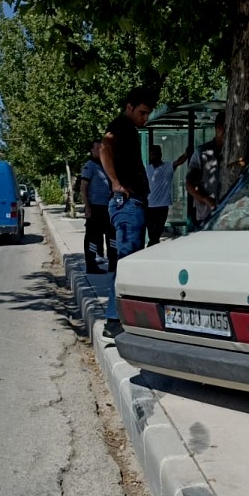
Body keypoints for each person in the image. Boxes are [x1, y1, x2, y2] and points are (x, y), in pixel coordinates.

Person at [99, 86, 158, 339]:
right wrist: (115, 183)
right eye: (142, 112)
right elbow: (105, 147)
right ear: (129, 107)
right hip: (128, 203)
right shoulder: (121, 125)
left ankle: (122, 316)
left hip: (132, 203)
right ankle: (114, 319)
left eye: (148, 114)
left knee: (128, 261)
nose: (145, 118)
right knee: (126, 262)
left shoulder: (129, 129)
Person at [80, 140, 116, 274]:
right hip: (95, 207)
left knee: (112, 235)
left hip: (107, 206)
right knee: (93, 236)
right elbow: (83, 188)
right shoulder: (89, 166)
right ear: (92, 151)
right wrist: (87, 206)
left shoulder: (105, 165)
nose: (100, 150)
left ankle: (113, 262)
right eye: (97, 148)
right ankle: (91, 264)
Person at [185, 111, 225, 230]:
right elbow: (189, 185)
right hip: (206, 216)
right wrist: (205, 199)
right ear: (219, 128)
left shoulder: (237, 153)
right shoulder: (201, 153)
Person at [144, 144, 189, 247]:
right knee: (152, 234)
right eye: (152, 155)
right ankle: (152, 250)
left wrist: (186, 153)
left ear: (160, 155)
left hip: (162, 206)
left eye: (155, 154)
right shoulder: (147, 169)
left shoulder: (168, 167)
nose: (153, 157)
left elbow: (179, 161)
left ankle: (151, 251)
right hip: (149, 206)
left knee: (157, 233)